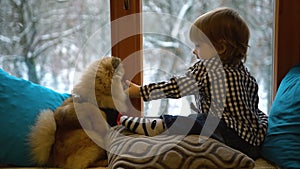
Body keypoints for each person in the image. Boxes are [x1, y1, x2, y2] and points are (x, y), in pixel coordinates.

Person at [120, 7, 268, 160]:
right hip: (251, 144)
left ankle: (159, 125)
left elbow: (176, 87)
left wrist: (141, 91)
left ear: (221, 48)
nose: (194, 51)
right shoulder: (245, 73)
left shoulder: (208, 68)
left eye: (198, 45)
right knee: (204, 119)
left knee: (201, 120)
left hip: (229, 136)